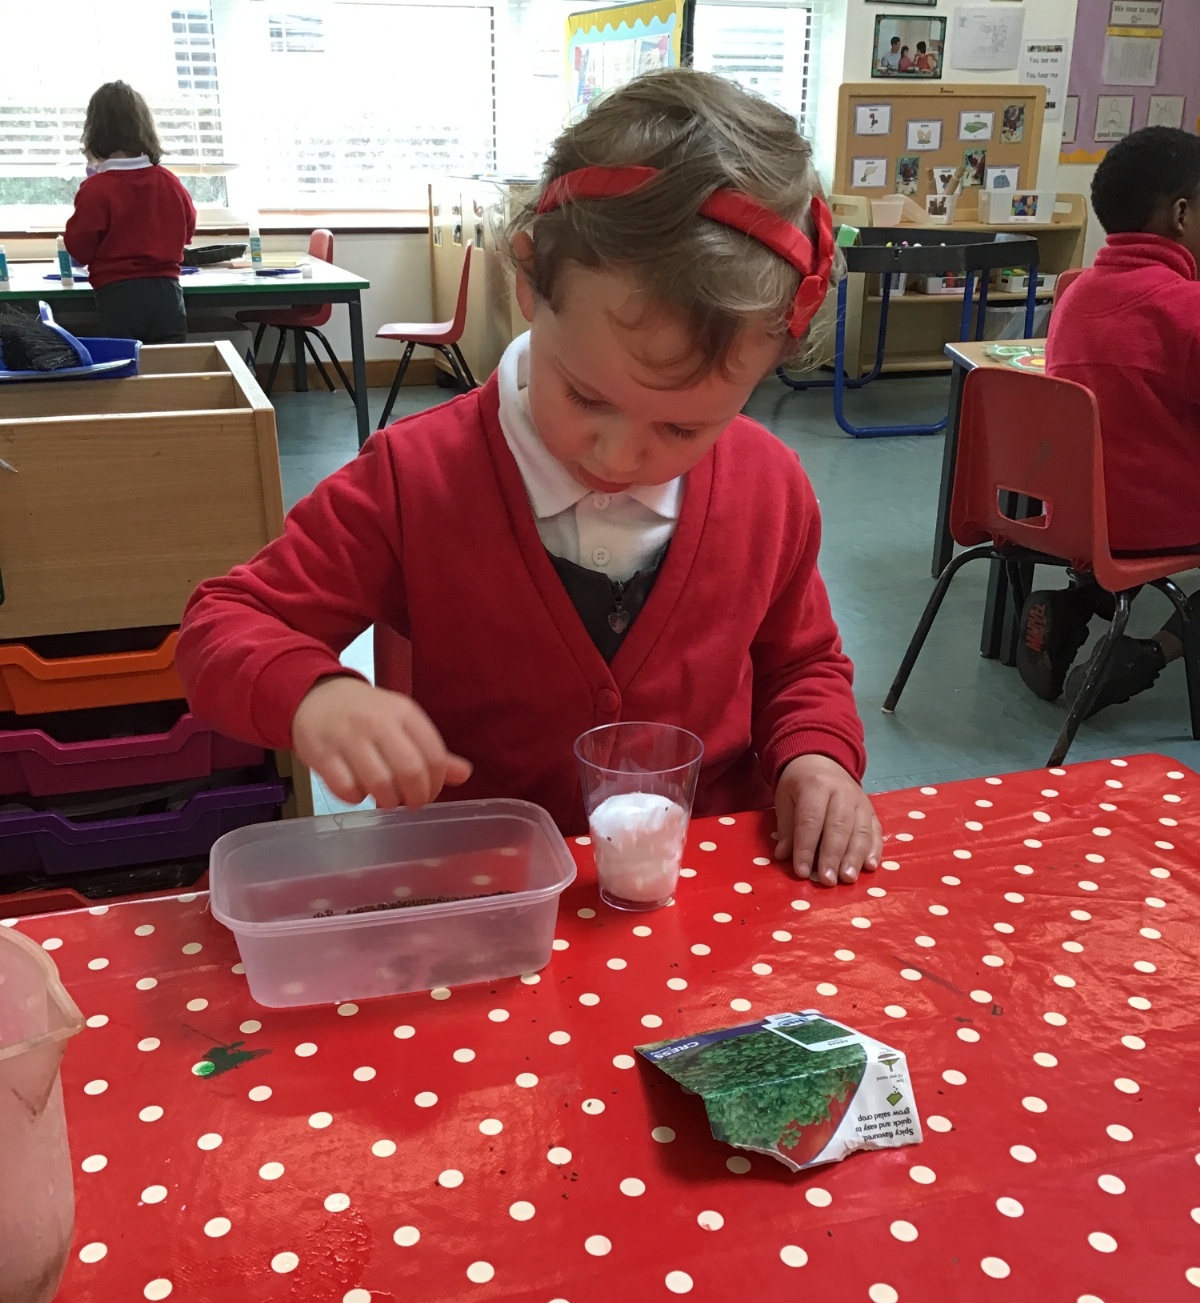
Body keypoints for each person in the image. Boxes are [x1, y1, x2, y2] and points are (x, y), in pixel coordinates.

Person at [177, 70, 881, 887]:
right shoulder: (415, 480)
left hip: (701, 885)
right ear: (528, 280)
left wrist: (816, 757)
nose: (617, 457)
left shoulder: (770, 489)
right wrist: (314, 695)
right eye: (586, 396)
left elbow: (803, 666)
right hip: (484, 891)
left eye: (682, 428)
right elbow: (221, 625)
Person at [1017, 126, 1200, 713]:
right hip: (1157, 518)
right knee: (1155, 500)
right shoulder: (1187, 307)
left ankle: (1074, 605)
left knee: (1136, 484)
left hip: (1075, 516)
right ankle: (1149, 653)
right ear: (1181, 214)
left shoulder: (1075, 295)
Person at [64, 81, 195, 344]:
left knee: (126, 363)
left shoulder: (96, 189)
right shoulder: (169, 181)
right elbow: (187, 229)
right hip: (167, 293)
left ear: (94, 133)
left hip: (118, 294)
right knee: (170, 363)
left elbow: (79, 247)